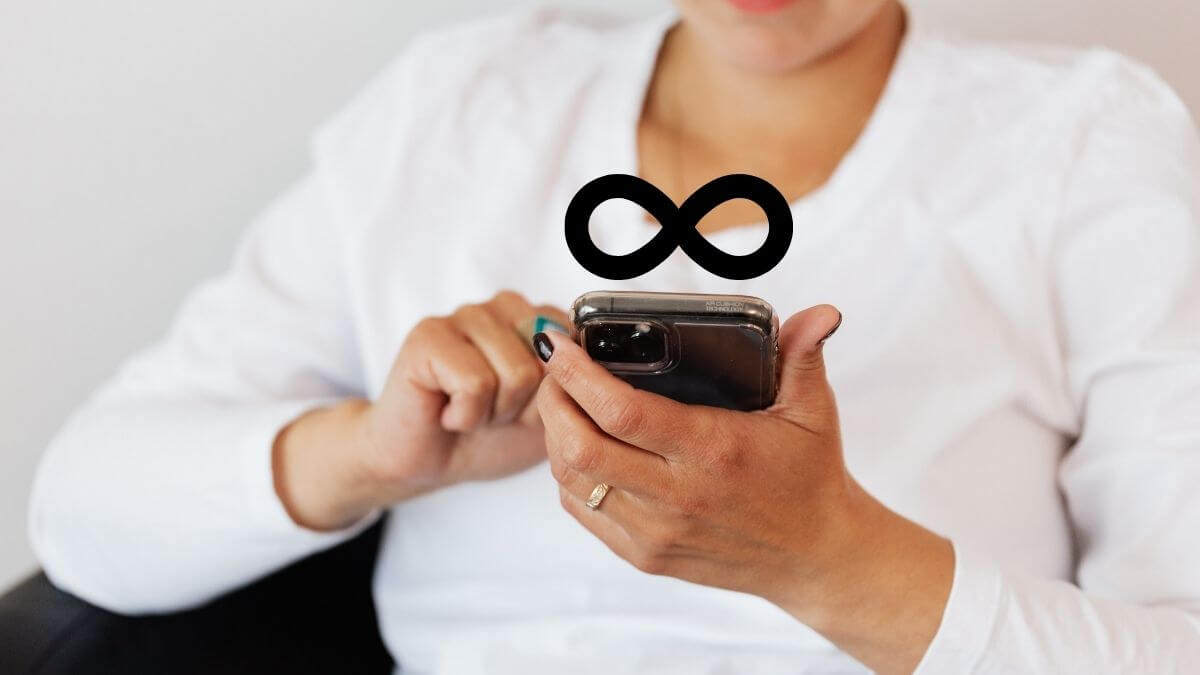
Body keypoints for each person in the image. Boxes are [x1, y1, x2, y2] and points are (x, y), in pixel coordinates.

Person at [27, 0, 1200, 672]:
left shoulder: (1085, 142)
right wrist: (372, 453)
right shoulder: (459, 103)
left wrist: (830, 560)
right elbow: (82, 518)